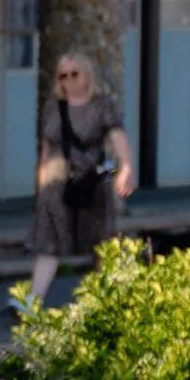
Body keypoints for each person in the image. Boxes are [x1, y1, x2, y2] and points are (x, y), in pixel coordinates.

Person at [27, 48, 135, 307]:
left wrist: (127, 167)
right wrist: (41, 189)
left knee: (99, 246)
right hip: (55, 188)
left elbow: (118, 136)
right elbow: (45, 148)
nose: (69, 80)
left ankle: (103, 303)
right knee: (48, 246)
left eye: (74, 74)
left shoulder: (101, 106)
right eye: (63, 75)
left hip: (91, 185)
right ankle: (32, 303)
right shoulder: (53, 108)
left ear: (87, 75)